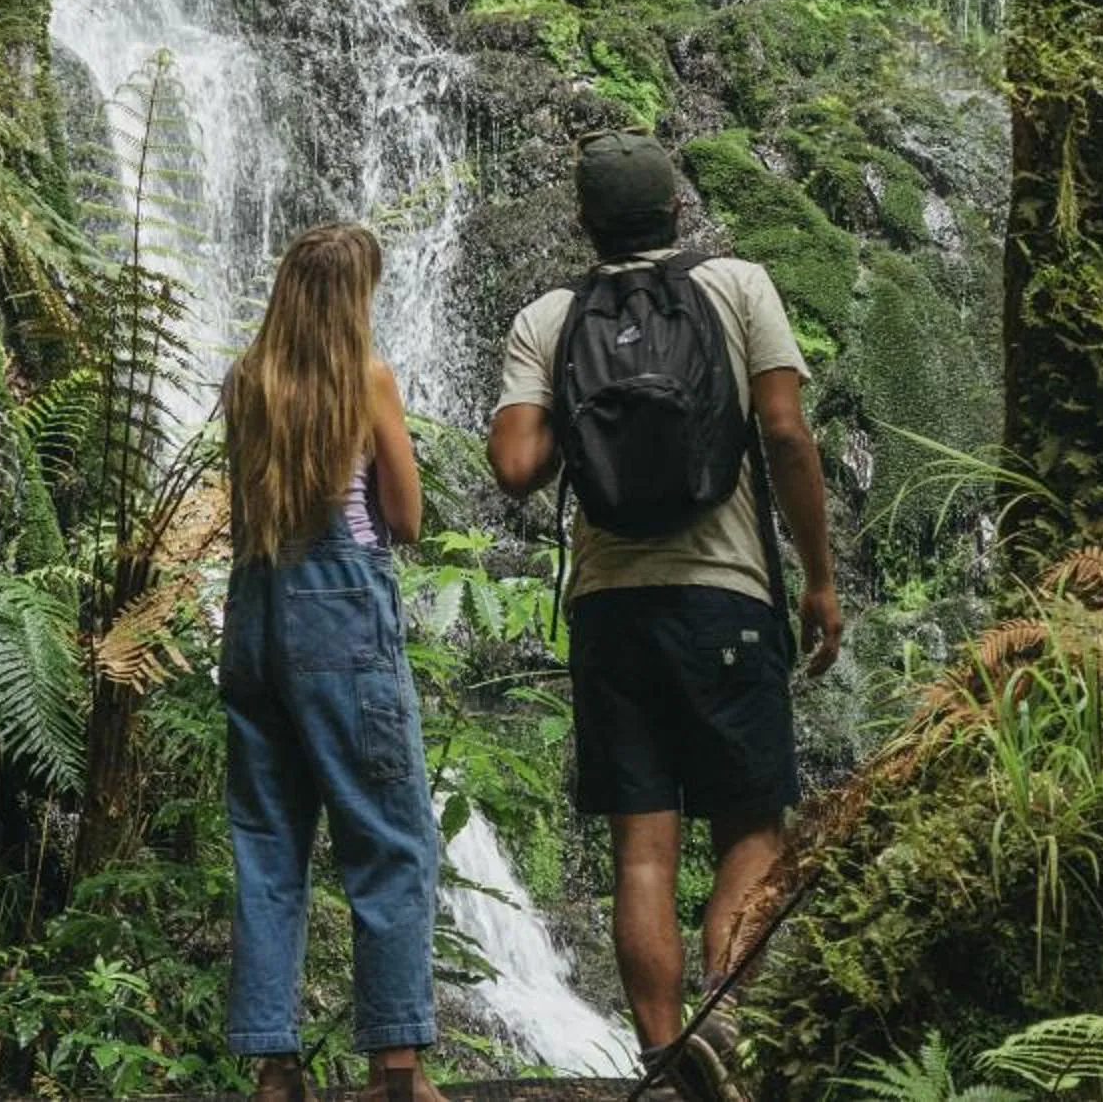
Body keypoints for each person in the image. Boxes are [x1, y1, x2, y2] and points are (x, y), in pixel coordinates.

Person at [486, 133, 842, 1102]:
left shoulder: (550, 318)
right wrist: (818, 578)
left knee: (642, 851)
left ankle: (660, 1058)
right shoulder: (737, 288)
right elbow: (784, 434)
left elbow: (516, 469)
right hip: (728, 596)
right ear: (680, 212)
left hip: (610, 612)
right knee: (752, 832)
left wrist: (577, 407)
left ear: (584, 225)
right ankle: (723, 1010)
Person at [219, 222, 448, 1102]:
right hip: (341, 620)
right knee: (388, 836)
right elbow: (407, 516)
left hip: (254, 618)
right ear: (354, 300)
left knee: (269, 842)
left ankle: (276, 1069)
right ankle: (396, 1066)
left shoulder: (247, 381)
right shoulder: (368, 380)